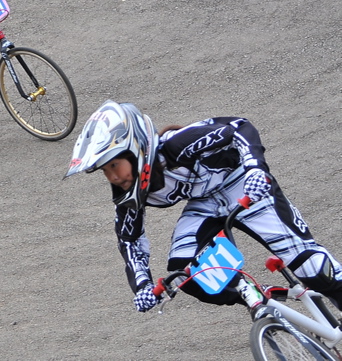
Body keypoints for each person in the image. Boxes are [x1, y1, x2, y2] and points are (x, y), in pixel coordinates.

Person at [65, 99, 342, 313]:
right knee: (187, 274)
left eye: (115, 164)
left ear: (136, 149)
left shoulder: (177, 145)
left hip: (244, 184)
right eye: (104, 170)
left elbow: (239, 128)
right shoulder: (128, 195)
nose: (113, 177)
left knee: (313, 268)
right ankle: (253, 294)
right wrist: (142, 286)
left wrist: (256, 168)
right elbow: (130, 241)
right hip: (204, 205)